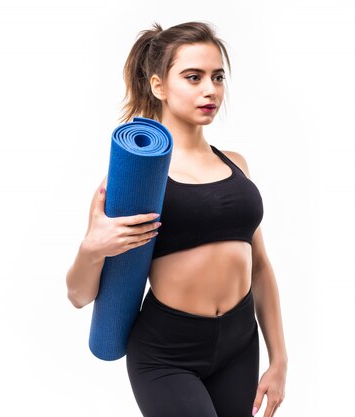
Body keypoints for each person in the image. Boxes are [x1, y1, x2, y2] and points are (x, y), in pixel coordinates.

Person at [66, 21, 287, 417]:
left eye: (217, 77)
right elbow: (78, 295)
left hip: (239, 344)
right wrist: (92, 248)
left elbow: (261, 268)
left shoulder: (236, 164)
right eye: (193, 77)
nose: (210, 90)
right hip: (167, 354)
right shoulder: (131, 181)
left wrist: (280, 359)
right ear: (158, 86)